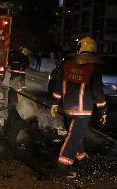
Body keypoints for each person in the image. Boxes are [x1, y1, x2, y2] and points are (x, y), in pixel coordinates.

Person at [50, 36, 107, 178]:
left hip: (68, 109)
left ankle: (84, 165)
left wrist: (54, 104)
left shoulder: (67, 65)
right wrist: (103, 111)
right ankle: (61, 169)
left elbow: (57, 86)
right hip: (83, 112)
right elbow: (97, 92)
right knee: (74, 138)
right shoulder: (93, 68)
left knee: (76, 137)